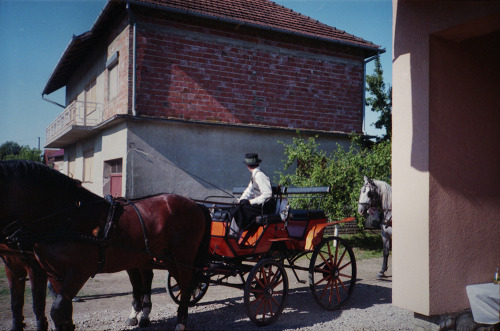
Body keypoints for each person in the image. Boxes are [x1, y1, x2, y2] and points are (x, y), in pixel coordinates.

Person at [229, 153, 276, 239]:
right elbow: (248, 191)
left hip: (266, 206)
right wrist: (241, 201)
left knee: (239, 211)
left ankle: (233, 237)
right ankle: (234, 234)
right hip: (261, 205)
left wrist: (250, 202)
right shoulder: (255, 175)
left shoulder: (259, 175)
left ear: (247, 165)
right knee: (237, 208)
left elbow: (267, 194)